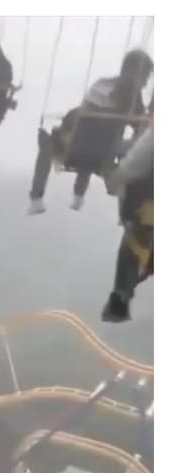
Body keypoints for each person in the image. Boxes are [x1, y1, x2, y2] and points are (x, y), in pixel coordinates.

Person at [28, 49, 152, 215]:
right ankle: (120, 208)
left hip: (78, 147)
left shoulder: (101, 84)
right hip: (103, 152)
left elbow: (83, 116)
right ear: (138, 75)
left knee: (50, 144)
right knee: (140, 150)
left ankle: (36, 198)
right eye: (145, 78)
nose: (145, 84)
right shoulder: (132, 97)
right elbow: (140, 129)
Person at [102, 119, 153, 322]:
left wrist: (113, 179)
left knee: (131, 250)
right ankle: (121, 296)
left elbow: (131, 166)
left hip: (145, 207)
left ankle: (121, 297)